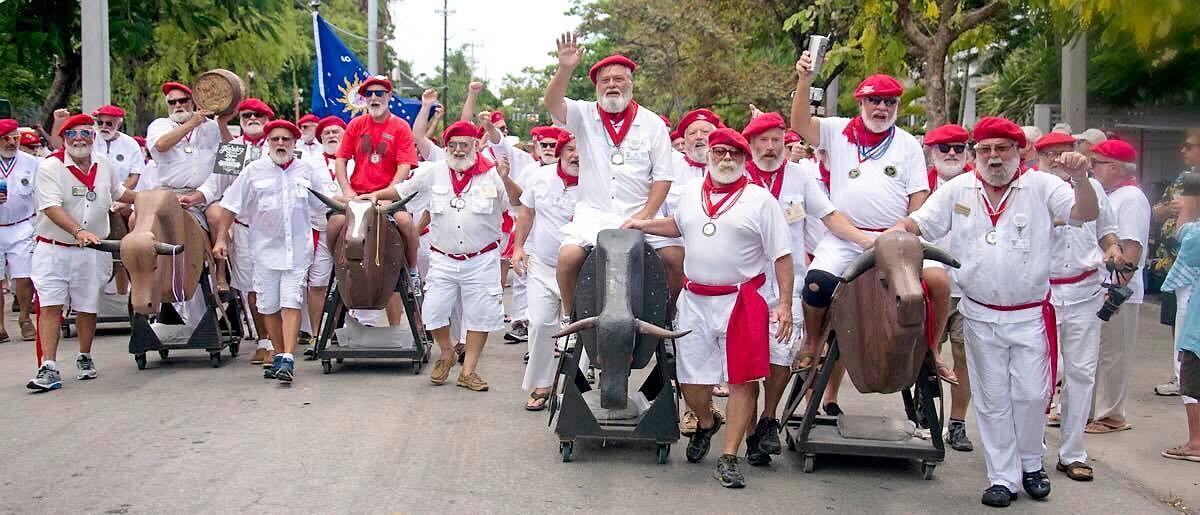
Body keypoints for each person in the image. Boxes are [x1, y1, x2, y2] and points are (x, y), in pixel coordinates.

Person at [891, 116, 1099, 507]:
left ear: (1020, 152)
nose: (993, 157)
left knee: (1033, 394)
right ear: (976, 154)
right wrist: (893, 235)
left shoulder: (1042, 185)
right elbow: (919, 222)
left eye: (1002, 148)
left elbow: (1084, 214)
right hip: (980, 312)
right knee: (992, 399)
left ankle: (1031, 465)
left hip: (1029, 314)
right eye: (985, 149)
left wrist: (1083, 179)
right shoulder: (959, 189)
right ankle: (1002, 477)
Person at [624, 128, 793, 488]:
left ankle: (730, 456)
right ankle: (705, 422)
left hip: (741, 301)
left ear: (745, 159)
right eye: (720, 153)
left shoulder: (760, 200)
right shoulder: (689, 195)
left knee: (742, 380)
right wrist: (644, 223)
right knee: (691, 380)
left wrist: (786, 305)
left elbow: (782, 256)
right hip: (695, 300)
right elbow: (679, 226)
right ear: (709, 156)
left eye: (734, 153)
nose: (726, 159)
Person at [789, 52, 953, 415]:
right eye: (874, 100)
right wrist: (804, 80)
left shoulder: (908, 143)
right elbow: (800, 123)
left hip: (897, 239)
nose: (882, 107)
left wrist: (904, 230)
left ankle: (933, 349)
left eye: (889, 102)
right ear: (861, 102)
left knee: (938, 283)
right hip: (846, 237)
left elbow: (919, 196)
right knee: (816, 283)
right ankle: (813, 341)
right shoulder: (837, 130)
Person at [738, 112, 871, 467]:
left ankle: (769, 418)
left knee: (780, 356)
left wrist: (868, 241)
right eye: (762, 141)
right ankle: (751, 436)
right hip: (745, 283)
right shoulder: (738, 175)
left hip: (789, 282)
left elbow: (831, 217)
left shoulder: (800, 176)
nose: (770, 148)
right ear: (749, 145)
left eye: (776, 140)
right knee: (749, 363)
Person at [362, 121, 522, 391]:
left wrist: (505, 178)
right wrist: (374, 195)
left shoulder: (493, 174)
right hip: (443, 259)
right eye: (453, 145)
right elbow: (402, 190)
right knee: (433, 311)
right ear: (446, 147)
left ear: (475, 145)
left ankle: (468, 371)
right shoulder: (433, 172)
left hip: (481, 259)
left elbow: (518, 202)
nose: (458, 150)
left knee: (480, 316)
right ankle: (447, 352)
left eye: (464, 144)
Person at [542, 34, 684, 322]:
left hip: (640, 214)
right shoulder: (583, 114)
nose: (612, 85)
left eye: (619, 79)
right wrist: (565, 68)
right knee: (568, 259)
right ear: (597, 87)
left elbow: (663, 178)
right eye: (605, 81)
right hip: (593, 214)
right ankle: (573, 318)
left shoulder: (653, 123)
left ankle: (666, 316)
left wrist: (645, 216)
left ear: (630, 83)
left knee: (675, 259)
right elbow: (552, 102)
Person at [211, 120, 335, 383]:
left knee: (291, 301)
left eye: (286, 140)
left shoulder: (306, 170)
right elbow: (230, 206)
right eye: (276, 139)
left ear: (294, 143)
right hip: (264, 250)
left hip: (298, 251)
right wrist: (221, 239)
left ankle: (288, 358)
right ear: (268, 142)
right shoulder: (253, 171)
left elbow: (322, 204)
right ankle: (279, 354)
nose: (281, 144)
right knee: (267, 305)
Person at [27, 114, 139, 392]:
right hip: (54, 249)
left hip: (92, 250)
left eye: (85, 134)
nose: (79, 139)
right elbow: (51, 207)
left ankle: (85, 356)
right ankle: (48, 366)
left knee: (87, 306)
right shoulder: (50, 166)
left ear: (93, 138)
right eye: (72, 134)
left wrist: (155, 197)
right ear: (64, 139)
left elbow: (119, 191)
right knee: (50, 305)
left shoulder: (103, 164)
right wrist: (78, 231)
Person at [1035, 131, 1122, 481]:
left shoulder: (1092, 187)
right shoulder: (1033, 189)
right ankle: (1032, 449)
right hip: (1044, 292)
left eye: (1065, 153)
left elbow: (1107, 230)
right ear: (1039, 157)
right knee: (1039, 375)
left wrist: (1113, 249)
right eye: (1052, 155)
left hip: (1085, 289)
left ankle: (1073, 452)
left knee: (1082, 373)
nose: (1060, 160)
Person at [182, 97, 278, 366]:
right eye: (246, 115)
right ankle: (263, 341)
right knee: (251, 288)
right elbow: (216, 184)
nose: (252, 119)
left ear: (268, 119)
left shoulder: (279, 146)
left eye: (258, 114)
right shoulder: (233, 149)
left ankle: (280, 344)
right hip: (244, 228)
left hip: (276, 230)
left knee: (276, 285)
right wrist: (196, 196)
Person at [331, 75, 422, 324]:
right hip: (358, 197)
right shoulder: (356, 125)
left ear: (389, 96)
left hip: (387, 198)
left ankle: (412, 270)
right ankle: (337, 268)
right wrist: (347, 190)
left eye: (379, 93)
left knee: (404, 223)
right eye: (369, 93)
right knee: (334, 225)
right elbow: (341, 159)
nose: (374, 97)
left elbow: (405, 165)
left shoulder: (401, 126)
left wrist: (388, 194)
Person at [1087, 139, 1152, 435]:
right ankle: (1093, 412)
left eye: (1096, 162)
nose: (1091, 167)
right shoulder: (1110, 194)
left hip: (1117, 291)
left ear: (1113, 167)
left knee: (1114, 355)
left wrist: (1115, 292)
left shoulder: (1130, 197)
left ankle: (1112, 415)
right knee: (1099, 353)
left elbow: (1131, 247)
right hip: (1101, 287)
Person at [512, 130, 580, 410]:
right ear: (561, 152)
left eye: (582, 150)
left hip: (580, 269)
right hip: (541, 264)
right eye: (571, 149)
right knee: (540, 324)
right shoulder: (540, 176)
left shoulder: (597, 183)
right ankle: (543, 384)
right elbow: (527, 212)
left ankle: (578, 387)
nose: (576, 155)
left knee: (578, 329)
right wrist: (518, 248)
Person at [923, 124, 975, 451]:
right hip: (925, 284)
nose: (952, 154)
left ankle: (957, 422)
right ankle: (923, 416)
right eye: (944, 148)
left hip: (967, 288)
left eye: (958, 147)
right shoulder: (918, 185)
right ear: (931, 152)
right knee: (921, 356)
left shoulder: (978, 185)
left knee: (962, 357)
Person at [1151, 128, 1200, 396]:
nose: (1183, 151)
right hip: (1171, 260)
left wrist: (1183, 216)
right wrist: (1165, 210)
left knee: (1188, 329)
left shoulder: (1195, 179)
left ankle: (1187, 383)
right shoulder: (1186, 177)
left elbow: (1188, 228)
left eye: (1189, 146)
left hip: (1191, 264)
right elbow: (1160, 210)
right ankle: (1181, 376)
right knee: (1176, 323)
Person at [1159, 183, 1200, 463]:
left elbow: (1182, 234)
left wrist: (1187, 206)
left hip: (1195, 325)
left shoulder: (1196, 234)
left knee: (1191, 379)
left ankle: (1196, 442)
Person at [302, 115, 349, 341]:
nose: (331, 136)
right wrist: (336, 199)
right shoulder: (309, 164)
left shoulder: (355, 159)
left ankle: (350, 332)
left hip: (351, 233)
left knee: (352, 281)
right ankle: (316, 334)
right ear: (320, 138)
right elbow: (306, 194)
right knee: (318, 282)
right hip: (319, 230)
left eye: (336, 131)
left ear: (345, 134)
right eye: (327, 133)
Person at [0, 119, 39, 342]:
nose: (12, 142)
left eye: (16, 138)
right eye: (6, 138)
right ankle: (0, 327)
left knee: (23, 276)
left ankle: (25, 317)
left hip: (23, 225)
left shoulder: (32, 163)